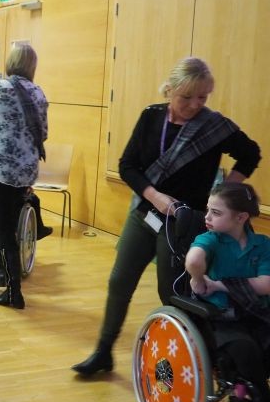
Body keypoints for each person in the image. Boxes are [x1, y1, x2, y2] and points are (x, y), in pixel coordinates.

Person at [72, 56, 261, 377]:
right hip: (146, 213)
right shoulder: (151, 117)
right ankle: (104, 351)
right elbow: (127, 166)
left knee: (172, 294)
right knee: (119, 282)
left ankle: (188, 362)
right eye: (186, 96)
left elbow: (250, 153)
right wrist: (156, 197)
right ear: (170, 90)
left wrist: (226, 190)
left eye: (202, 97)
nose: (195, 104)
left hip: (184, 223)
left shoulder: (213, 126)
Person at [0, 44, 48, 309]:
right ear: (32, 66)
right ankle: (10, 276)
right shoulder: (38, 93)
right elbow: (44, 133)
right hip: (27, 170)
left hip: (0, 168)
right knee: (11, 223)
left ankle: (13, 291)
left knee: (2, 228)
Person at [185, 182, 270, 402]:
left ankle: (258, 399)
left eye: (216, 212)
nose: (207, 217)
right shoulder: (209, 239)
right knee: (246, 348)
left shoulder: (262, 244)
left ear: (241, 217)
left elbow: (266, 285)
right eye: (208, 210)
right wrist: (197, 278)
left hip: (255, 313)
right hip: (221, 318)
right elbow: (194, 260)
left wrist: (219, 285)